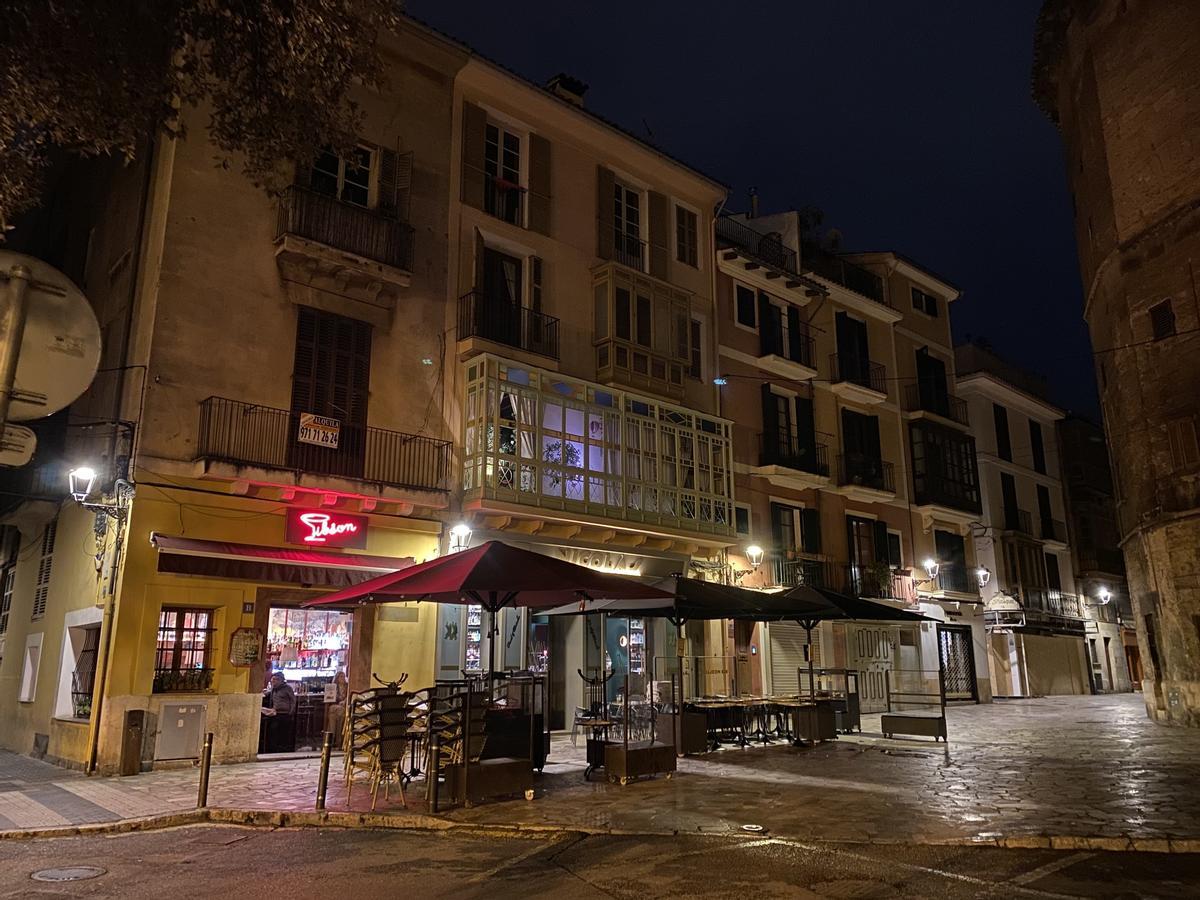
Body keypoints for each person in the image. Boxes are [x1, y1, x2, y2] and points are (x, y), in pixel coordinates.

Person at [261, 671, 296, 753]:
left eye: (275, 679)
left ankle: (283, 749)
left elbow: (293, 700)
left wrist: (291, 712)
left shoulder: (287, 688)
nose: (273, 681)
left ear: (281, 680)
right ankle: (274, 749)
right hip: (275, 713)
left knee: (283, 733)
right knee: (273, 731)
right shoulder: (274, 688)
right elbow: (268, 693)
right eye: (272, 679)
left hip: (285, 714)